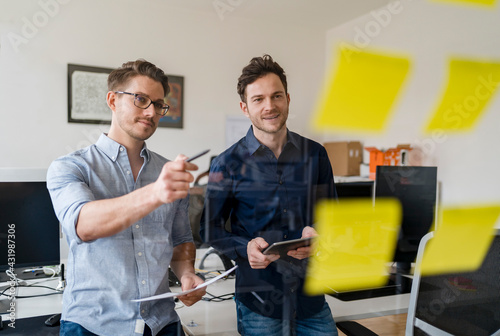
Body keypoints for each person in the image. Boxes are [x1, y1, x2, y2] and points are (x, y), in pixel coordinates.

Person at [47, 59, 205, 336]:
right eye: (140, 99)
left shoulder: (166, 171)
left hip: (161, 323)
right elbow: (84, 225)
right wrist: (155, 193)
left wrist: (187, 274)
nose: (151, 111)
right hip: (93, 325)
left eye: (158, 104)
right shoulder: (70, 167)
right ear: (112, 100)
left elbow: (180, 242)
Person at [201, 55, 338, 336]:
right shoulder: (226, 164)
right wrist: (244, 248)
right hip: (259, 302)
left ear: (288, 98)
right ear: (245, 107)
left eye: (277, 96)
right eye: (258, 99)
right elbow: (209, 229)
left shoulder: (316, 155)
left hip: (311, 297)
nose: (270, 106)